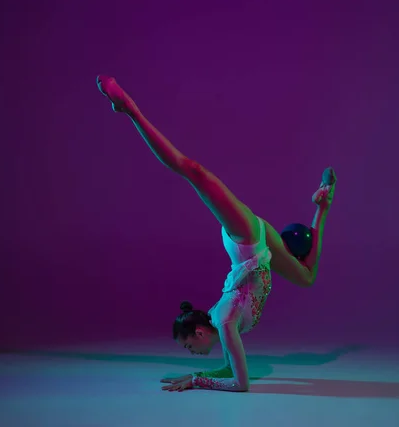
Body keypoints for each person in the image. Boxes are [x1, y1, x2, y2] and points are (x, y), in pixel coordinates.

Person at [96, 75, 336, 392]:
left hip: (246, 240)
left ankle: (128, 108)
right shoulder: (221, 323)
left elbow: (240, 384)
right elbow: (231, 372)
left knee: (192, 170)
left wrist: (196, 380)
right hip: (257, 244)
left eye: (188, 348)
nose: (190, 354)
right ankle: (323, 205)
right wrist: (197, 377)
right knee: (307, 276)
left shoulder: (223, 322)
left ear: (198, 333)